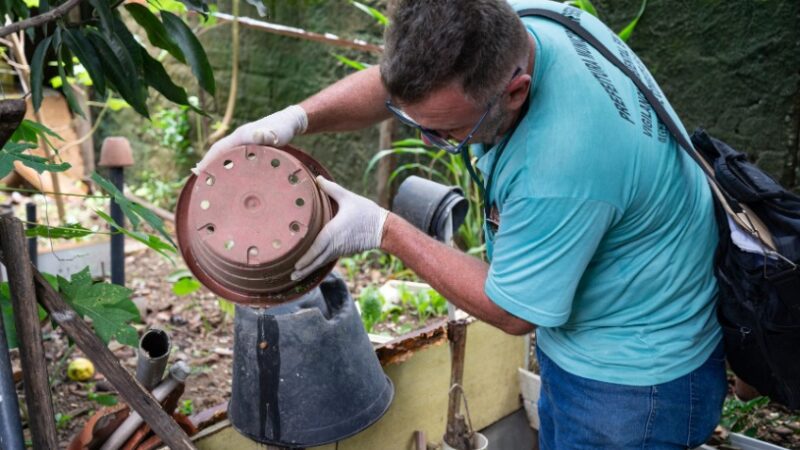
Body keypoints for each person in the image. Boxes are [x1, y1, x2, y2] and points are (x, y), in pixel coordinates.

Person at [196, 0, 727, 448]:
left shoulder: (562, 164)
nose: (429, 141)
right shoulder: (502, 22)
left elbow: (513, 310)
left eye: (445, 132)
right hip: (603, 333)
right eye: (414, 125)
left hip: (634, 386)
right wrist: (293, 119)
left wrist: (385, 230)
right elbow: (396, 86)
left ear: (514, 92)